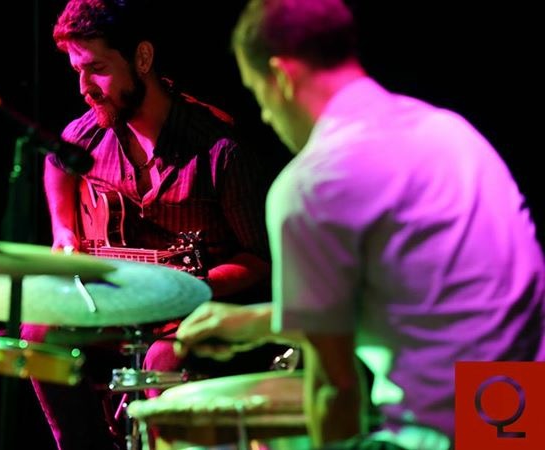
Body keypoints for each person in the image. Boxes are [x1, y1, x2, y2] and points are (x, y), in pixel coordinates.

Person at [174, 0, 545, 449]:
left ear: (281, 77)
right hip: (515, 421)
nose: (268, 118)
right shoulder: (454, 135)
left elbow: (336, 388)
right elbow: (433, 307)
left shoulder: (313, 184)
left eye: (258, 97)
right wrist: (258, 322)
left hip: (432, 437)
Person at [21, 1, 288, 449]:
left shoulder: (221, 150)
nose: (85, 87)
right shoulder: (88, 134)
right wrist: (64, 230)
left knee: (164, 358)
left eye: (97, 69)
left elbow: (260, 260)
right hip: (120, 312)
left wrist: (191, 288)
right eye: (77, 71)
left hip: (199, 316)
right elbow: (57, 163)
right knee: (38, 334)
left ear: (141, 59)